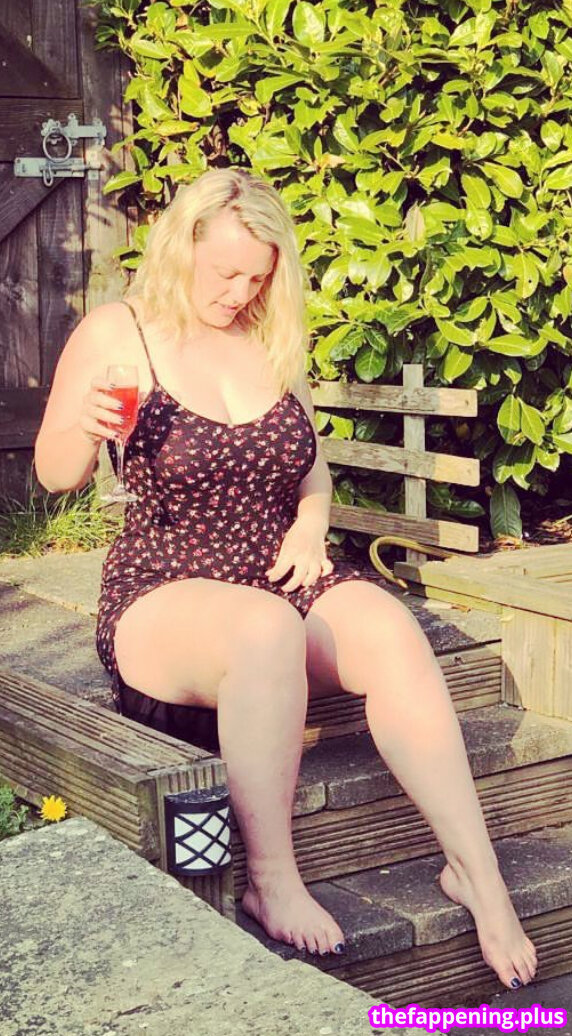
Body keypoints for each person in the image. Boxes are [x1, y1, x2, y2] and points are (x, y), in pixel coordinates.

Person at [35, 167, 537, 987]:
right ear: (181, 243)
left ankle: (476, 875)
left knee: (390, 628)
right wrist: (84, 432)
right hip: (167, 592)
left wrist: (310, 526)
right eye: (224, 273)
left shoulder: (267, 337)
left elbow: (311, 470)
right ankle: (271, 879)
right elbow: (54, 474)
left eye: (256, 278)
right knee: (263, 627)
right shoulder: (117, 331)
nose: (238, 293)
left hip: (277, 571)